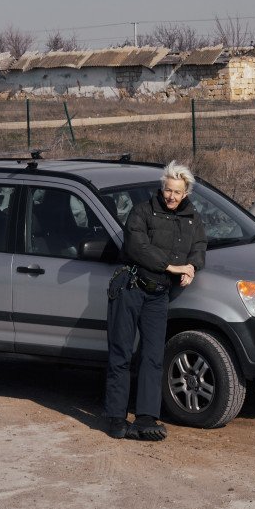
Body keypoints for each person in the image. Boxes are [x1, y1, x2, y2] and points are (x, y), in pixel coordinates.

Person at [104, 162, 207, 441]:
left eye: (177, 192)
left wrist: (193, 267)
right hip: (130, 288)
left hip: (158, 295)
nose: (171, 196)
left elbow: (199, 247)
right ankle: (115, 417)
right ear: (161, 188)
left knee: (152, 357)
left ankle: (146, 417)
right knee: (121, 354)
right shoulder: (142, 211)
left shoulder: (192, 218)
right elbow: (137, 247)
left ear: (186, 193)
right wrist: (173, 267)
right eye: (167, 190)